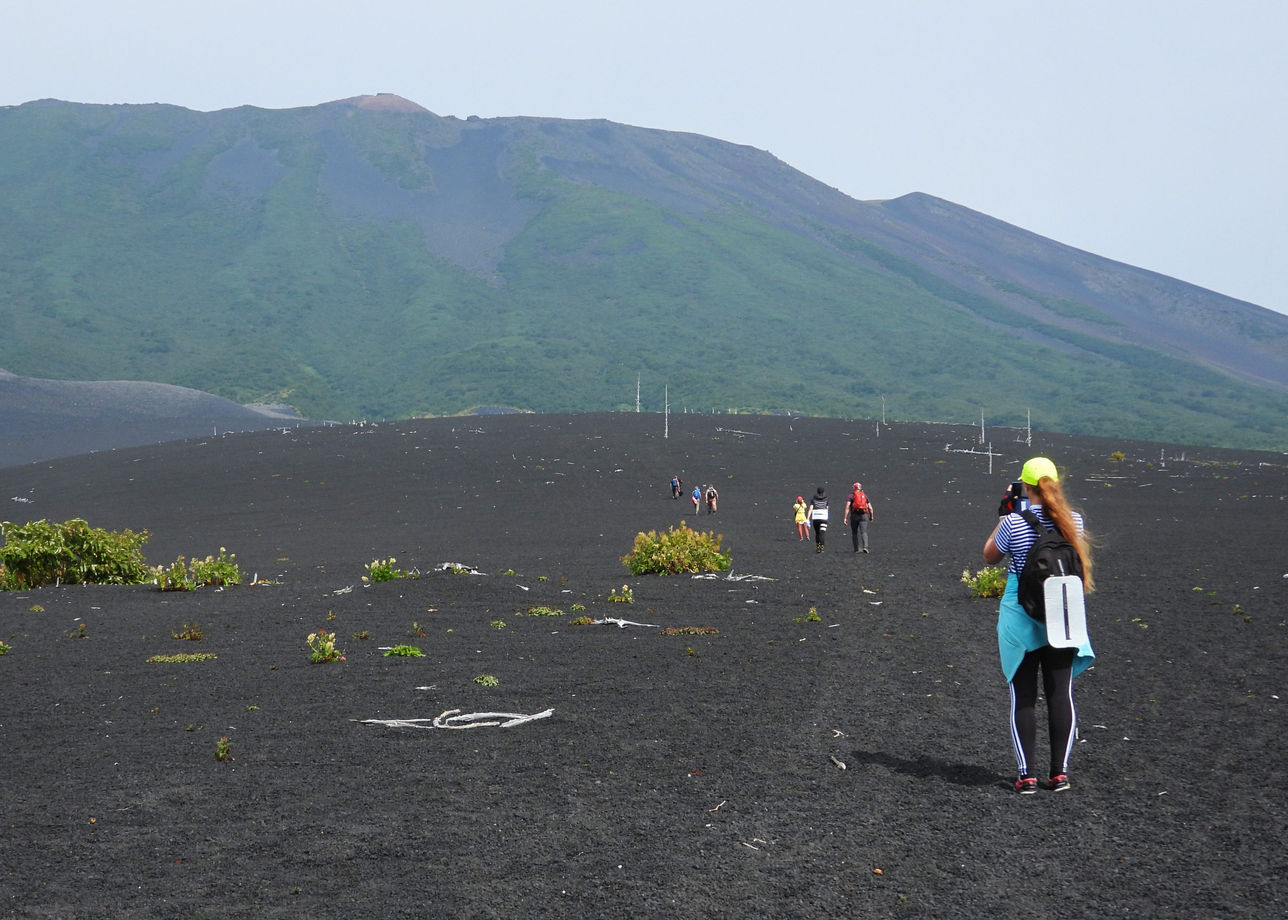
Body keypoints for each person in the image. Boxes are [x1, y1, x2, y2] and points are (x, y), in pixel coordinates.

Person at [983, 457, 1095, 795]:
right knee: (1061, 693)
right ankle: (1059, 774)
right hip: (1063, 610)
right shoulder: (1073, 521)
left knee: (1024, 696)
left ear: (1025, 487)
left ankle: (1026, 775)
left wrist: (1004, 517)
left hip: (1022, 612)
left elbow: (989, 556)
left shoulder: (1013, 523)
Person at [844, 481, 875, 553]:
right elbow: (870, 507)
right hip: (864, 516)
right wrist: (871, 516)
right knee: (864, 532)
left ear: (854, 488)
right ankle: (865, 547)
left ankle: (856, 549)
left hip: (854, 516)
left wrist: (845, 517)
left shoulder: (851, 496)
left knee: (854, 532)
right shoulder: (864, 495)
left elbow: (847, 507)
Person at [808, 486, 829, 553]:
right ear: (823, 492)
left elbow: (810, 509)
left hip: (816, 518)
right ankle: (822, 548)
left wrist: (807, 518)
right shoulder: (826, 499)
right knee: (822, 533)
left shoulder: (813, 499)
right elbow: (827, 508)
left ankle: (818, 548)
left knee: (817, 533)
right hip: (823, 517)